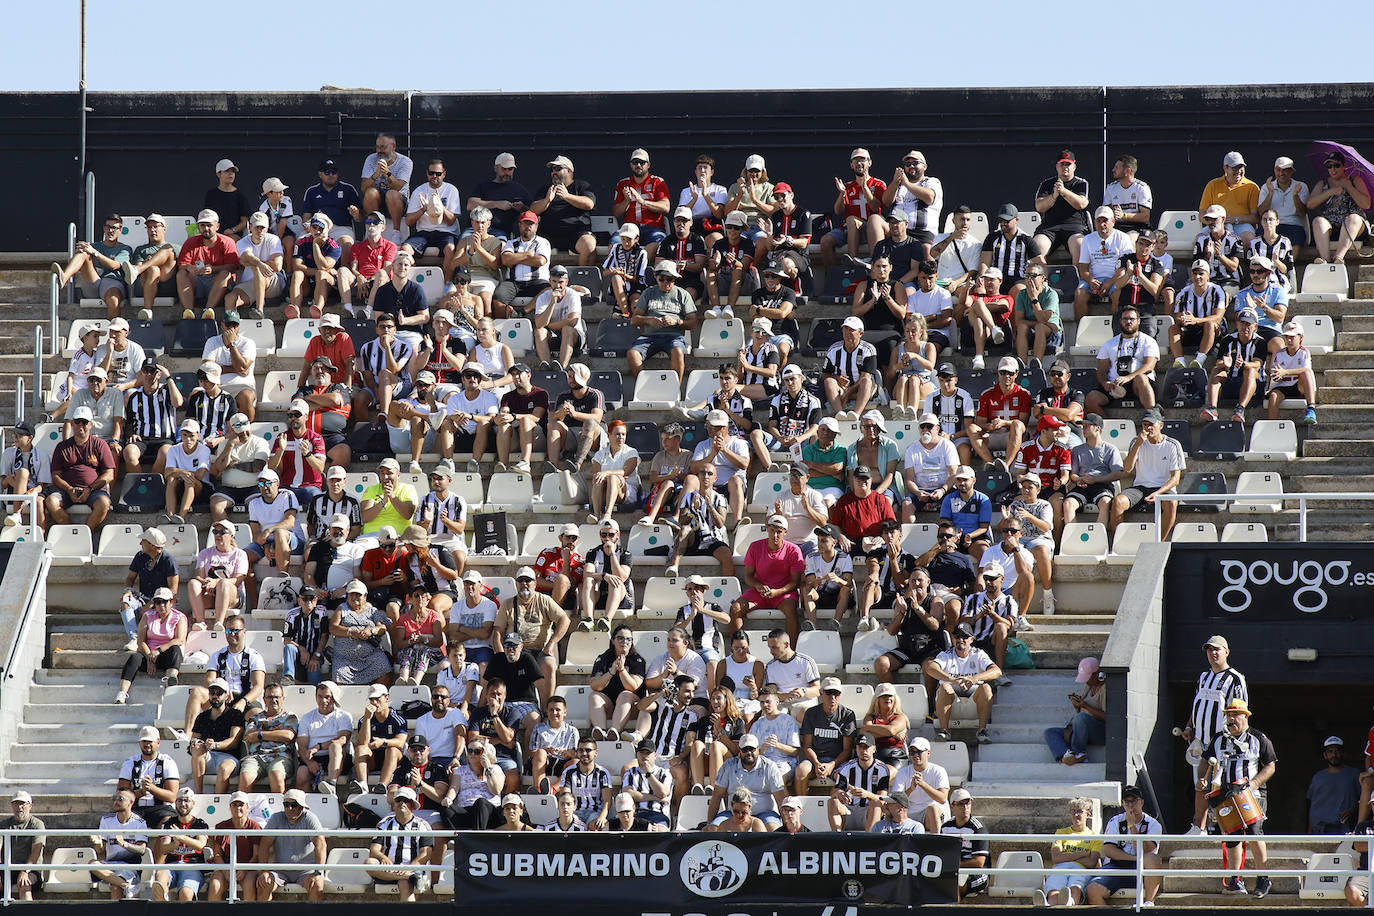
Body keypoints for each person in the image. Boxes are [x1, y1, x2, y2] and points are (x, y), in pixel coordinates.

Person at [1204, 698, 1276, 897]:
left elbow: (1270, 765)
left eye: (1235, 714)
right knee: (1232, 836)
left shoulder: (1258, 738)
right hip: (1225, 795)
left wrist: (1252, 785)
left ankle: (1263, 878)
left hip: (1250, 794)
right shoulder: (1218, 739)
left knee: (1254, 831)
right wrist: (1203, 780)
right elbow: (1206, 761)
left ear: (1246, 716)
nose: (1231, 718)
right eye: (1228, 714)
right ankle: (1235, 879)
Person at [1182, 634, 1249, 834]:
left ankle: (1226, 828)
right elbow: (1197, 705)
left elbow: (1240, 711)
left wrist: (1235, 739)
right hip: (1200, 742)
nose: (1213, 653)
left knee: (1221, 786)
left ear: (1226, 652)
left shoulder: (1235, 678)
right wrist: (1189, 727)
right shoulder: (1203, 677)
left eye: (1217, 649)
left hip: (1223, 743)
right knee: (1200, 784)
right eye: (1210, 650)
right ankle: (1198, 827)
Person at [495, 566, 572, 700]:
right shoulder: (507, 604)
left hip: (540, 651)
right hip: (516, 652)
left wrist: (551, 644)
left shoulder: (544, 600)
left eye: (528, 580)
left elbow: (565, 620)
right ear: (516, 583)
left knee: (549, 665)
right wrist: (501, 655)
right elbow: (497, 633)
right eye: (521, 580)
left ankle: (547, 708)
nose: (524, 583)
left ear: (535, 584)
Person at [1082, 784, 1165, 906]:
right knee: (1092, 890)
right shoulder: (1115, 821)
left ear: (1141, 802)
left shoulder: (1153, 825)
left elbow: (1143, 851)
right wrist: (1133, 858)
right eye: (1127, 802)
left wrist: (1132, 826)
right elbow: (1109, 850)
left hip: (1142, 867)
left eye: (1134, 801)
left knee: (1153, 859)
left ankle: (1148, 902)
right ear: (1123, 804)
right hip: (1117, 866)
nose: (1130, 805)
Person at [1110, 408, 1185, 540]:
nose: (1147, 428)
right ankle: (1118, 542)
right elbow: (1127, 469)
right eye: (1145, 425)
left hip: (1163, 488)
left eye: (1151, 424)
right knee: (1118, 501)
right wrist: (1138, 445)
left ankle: (1158, 543)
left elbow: (1175, 479)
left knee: (1172, 503)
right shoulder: (1136, 442)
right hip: (1140, 487)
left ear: (1160, 425)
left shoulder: (1173, 445)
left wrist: (1158, 494)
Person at [730, 515, 806, 645]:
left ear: (785, 532)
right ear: (767, 529)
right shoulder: (755, 546)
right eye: (772, 530)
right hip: (759, 592)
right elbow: (748, 576)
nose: (775, 535)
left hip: (783, 593)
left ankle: (791, 651)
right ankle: (737, 648)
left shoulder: (794, 550)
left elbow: (795, 582)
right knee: (735, 609)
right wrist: (758, 586)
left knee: (791, 610)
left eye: (779, 532)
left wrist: (777, 592)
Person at [45, 404, 116, 531]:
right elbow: (55, 475)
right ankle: (71, 532)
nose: (81, 425)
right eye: (78, 422)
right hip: (67, 491)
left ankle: (85, 533)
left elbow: (109, 474)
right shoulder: (62, 446)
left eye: (85, 422)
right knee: (51, 501)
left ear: (91, 424)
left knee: (104, 503)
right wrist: (69, 489)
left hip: (94, 491)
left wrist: (89, 489)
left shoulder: (100, 444)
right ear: (72, 423)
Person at [924, 624, 1000, 743]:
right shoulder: (945, 655)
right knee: (944, 687)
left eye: (965, 636)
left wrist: (974, 678)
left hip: (973, 705)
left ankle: (982, 731)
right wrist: (952, 679)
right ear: (953, 639)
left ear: (971, 639)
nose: (960, 639)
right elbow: (930, 669)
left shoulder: (978, 654)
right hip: (950, 705)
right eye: (957, 636)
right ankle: (944, 731)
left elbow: (997, 671)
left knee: (986, 688)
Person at [51, 213, 133, 318]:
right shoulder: (93, 246)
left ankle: (110, 331)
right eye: (108, 227)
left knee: (114, 298)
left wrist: (95, 253)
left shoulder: (124, 249)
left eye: (114, 228)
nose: (110, 230)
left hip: (112, 282)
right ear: (104, 228)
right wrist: (81, 252)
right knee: (84, 252)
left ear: (120, 230)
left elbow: (114, 266)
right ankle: (64, 277)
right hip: (93, 282)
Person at [114, 588, 186, 704]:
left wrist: (159, 650)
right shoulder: (148, 616)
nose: (161, 605)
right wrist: (149, 657)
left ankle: (171, 680)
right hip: (149, 654)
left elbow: (179, 640)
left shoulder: (179, 617)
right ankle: (122, 692)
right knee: (134, 658)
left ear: (171, 602)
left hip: (166, 654)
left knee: (175, 649)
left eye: (164, 601)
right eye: (158, 602)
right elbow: (141, 641)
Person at [1084, 304, 1159, 416]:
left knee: (1141, 378)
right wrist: (1105, 383)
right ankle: (1106, 427)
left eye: (1132, 319)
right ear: (1120, 321)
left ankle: (1152, 418)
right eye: (1125, 319)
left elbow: (1150, 366)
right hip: (1115, 385)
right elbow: (1102, 370)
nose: (1128, 322)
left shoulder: (1148, 341)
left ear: (1138, 321)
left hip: (1137, 384)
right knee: (1091, 398)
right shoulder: (1109, 343)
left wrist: (1129, 377)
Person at [255, 789, 326, 902]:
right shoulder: (276, 818)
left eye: (294, 805)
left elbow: (321, 845)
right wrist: (264, 871)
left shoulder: (310, 818)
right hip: (280, 870)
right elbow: (264, 845)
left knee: (317, 885)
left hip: (306, 870)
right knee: (263, 884)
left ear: (302, 806)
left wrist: (317, 872)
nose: (289, 808)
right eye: (286, 804)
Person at [821, 148, 886, 266]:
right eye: (855, 160)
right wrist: (842, 193)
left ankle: (852, 261)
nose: (859, 163)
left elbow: (876, 207)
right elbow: (838, 211)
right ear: (851, 165)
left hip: (871, 229)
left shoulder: (878, 184)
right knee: (825, 241)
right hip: (849, 230)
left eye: (862, 159)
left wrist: (865, 188)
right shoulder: (848, 186)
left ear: (869, 162)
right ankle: (833, 275)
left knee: (851, 220)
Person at [367, 789, 435, 901]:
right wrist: (383, 857)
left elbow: (426, 854)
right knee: (369, 863)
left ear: (413, 805)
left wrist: (409, 869)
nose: (402, 803)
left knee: (405, 883)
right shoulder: (384, 824)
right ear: (394, 804)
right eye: (398, 800)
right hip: (388, 870)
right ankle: (407, 877)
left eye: (406, 800)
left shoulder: (423, 825)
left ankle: (407, 877)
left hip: (412, 869)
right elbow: (374, 850)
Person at [707, 734, 787, 830]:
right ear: (740, 751)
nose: (749, 752)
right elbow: (716, 795)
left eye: (752, 749)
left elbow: (780, 799)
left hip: (765, 814)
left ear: (758, 749)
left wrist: (786, 826)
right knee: (713, 828)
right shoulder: (728, 766)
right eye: (745, 749)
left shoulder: (770, 767)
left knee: (773, 828)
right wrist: (709, 824)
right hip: (734, 813)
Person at [1033, 797, 1102, 907]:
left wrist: (1065, 856)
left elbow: (1091, 863)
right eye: (1073, 811)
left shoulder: (1095, 837)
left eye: (1079, 811)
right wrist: (1082, 854)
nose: (1075, 815)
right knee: (1055, 887)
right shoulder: (1061, 833)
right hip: (1061, 867)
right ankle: (1047, 905)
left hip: (1081, 869)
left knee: (1075, 886)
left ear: (1088, 815)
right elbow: (1056, 858)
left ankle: (1069, 903)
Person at [795, 677, 857, 795]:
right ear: (821, 693)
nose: (832, 697)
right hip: (815, 759)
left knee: (845, 775)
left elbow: (847, 749)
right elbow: (807, 746)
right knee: (801, 771)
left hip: (838, 761)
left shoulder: (847, 714)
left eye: (836, 693)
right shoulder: (811, 713)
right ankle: (801, 809)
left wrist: (832, 764)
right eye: (828, 692)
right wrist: (817, 763)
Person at [1062, 414, 1124, 531]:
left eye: (1087, 426)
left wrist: (1095, 479)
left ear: (1097, 428)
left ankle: (1098, 536)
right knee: (1068, 503)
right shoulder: (1077, 450)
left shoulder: (1110, 449)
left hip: (1103, 486)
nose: (1083, 429)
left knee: (1105, 502)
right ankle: (1072, 537)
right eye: (1083, 426)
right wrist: (1078, 479)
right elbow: (1073, 474)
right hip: (1082, 486)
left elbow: (1118, 473)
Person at [1204, 309, 1266, 424]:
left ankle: (1240, 409)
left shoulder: (1260, 342)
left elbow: (1258, 364)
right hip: (1231, 380)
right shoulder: (1228, 340)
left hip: (1253, 386)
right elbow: (1219, 362)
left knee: (1250, 371)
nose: (1245, 327)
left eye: (1248, 324)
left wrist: (1244, 364)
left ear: (1255, 326)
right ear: (1237, 324)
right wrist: (1226, 364)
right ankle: (1212, 408)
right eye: (1242, 323)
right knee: (1217, 370)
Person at [1310, 150, 1372, 263]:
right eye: (1329, 166)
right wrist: (1330, 192)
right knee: (1318, 221)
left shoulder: (1355, 180)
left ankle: (1339, 257)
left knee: (1353, 218)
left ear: (1344, 166)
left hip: (1353, 227)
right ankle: (1325, 259)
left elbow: (1366, 204)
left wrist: (1348, 187)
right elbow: (1310, 204)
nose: (1333, 169)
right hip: (1332, 225)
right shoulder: (1323, 183)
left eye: (1336, 165)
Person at [149, 787, 210, 902]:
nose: (183, 804)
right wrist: (175, 843)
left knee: (185, 894)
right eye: (180, 800)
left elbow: (200, 845)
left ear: (193, 804)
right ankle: (163, 903)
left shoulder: (200, 824)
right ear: (175, 803)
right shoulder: (168, 823)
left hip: (193, 866)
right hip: (171, 864)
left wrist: (182, 837)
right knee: (160, 879)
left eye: (186, 801)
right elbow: (164, 848)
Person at [1044, 656, 1106, 766]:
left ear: (1097, 674)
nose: (1085, 681)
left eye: (1087, 677)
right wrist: (1077, 706)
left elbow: (1108, 718)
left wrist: (1085, 706)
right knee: (1050, 732)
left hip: (1100, 732)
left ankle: (1079, 753)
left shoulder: (1105, 688)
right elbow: (1081, 716)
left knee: (1081, 718)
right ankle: (1067, 756)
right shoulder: (1088, 686)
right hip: (1080, 731)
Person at [329, 579, 393, 686]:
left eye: (358, 595)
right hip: (345, 658)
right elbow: (333, 628)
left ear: (365, 596)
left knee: (383, 667)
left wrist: (371, 630)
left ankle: (378, 699)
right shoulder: (341, 609)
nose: (354, 597)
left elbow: (382, 628)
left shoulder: (372, 611)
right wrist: (351, 632)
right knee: (339, 674)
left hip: (370, 656)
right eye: (351, 595)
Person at [89, 789, 150, 899]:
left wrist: (125, 845)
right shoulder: (106, 820)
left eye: (120, 799)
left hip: (131, 866)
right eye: (115, 799)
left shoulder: (139, 823)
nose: (116, 802)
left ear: (131, 802)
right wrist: (97, 843)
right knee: (92, 864)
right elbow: (100, 850)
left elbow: (142, 850)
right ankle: (128, 886)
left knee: (115, 886)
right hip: (111, 865)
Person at [188, 676, 245, 793]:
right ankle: (199, 794)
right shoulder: (202, 717)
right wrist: (195, 743)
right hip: (207, 756)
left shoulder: (235, 714)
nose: (215, 696)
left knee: (224, 768)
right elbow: (195, 739)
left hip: (229, 757)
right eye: (212, 692)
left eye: (219, 693)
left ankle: (216, 800)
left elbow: (234, 741)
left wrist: (216, 745)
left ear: (227, 696)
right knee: (197, 748)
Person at [295, 680, 353, 794]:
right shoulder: (307, 718)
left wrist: (319, 746)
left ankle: (331, 784)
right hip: (313, 758)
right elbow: (302, 746)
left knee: (335, 747)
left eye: (327, 697)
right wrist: (309, 762)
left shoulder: (344, 716)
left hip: (338, 757)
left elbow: (343, 739)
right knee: (302, 774)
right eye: (320, 697)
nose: (323, 701)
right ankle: (307, 806)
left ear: (334, 698)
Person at [546, 362, 605, 473]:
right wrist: (562, 413)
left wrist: (575, 414)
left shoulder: (595, 394)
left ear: (583, 377)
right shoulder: (563, 396)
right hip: (571, 434)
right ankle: (553, 466)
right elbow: (554, 417)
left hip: (593, 436)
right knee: (553, 424)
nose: (571, 380)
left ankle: (577, 464)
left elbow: (597, 418)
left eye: (574, 377)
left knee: (590, 422)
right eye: (569, 377)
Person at [1033, 149, 1091, 262]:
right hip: (1049, 226)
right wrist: (1054, 196)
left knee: (1080, 247)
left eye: (1068, 164)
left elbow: (1081, 204)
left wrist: (1063, 191)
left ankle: (1078, 279)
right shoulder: (1046, 184)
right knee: (1036, 249)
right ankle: (1041, 279)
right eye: (1062, 164)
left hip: (1074, 226)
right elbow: (1039, 206)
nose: (1065, 167)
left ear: (1074, 166)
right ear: (1057, 166)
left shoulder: (1081, 183)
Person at [238, 685, 297, 793]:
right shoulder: (255, 718)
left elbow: (288, 736)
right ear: (264, 699)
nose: (273, 700)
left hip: (280, 756)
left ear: (283, 699)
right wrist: (276, 734)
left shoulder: (289, 717)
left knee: (276, 775)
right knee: (245, 776)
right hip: (256, 757)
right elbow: (250, 737)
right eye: (269, 697)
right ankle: (245, 808)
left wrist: (260, 735)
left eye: (277, 697)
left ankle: (280, 808)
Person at [551, 736, 613, 828]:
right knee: (570, 825)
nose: (584, 753)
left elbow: (607, 800)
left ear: (596, 753)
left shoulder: (603, 773)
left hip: (595, 813)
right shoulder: (569, 772)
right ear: (577, 752)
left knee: (601, 825)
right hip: (574, 812)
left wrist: (602, 817)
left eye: (588, 750)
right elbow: (565, 797)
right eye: (581, 750)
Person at [1199, 151, 1260, 243]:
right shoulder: (1212, 185)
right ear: (1225, 168)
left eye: (1241, 167)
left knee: (1249, 239)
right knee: (1199, 238)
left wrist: (1235, 219)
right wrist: (1215, 222)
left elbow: (1256, 217)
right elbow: (1201, 215)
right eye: (1235, 168)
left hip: (1242, 225)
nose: (1239, 171)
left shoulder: (1252, 187)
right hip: (1215, 224)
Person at [801, 525, 855, 631]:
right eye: (819, 540)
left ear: (834, 543)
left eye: (824, 541)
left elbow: (848, 584)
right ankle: (813, 625)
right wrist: (816, 582)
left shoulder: (844, 557)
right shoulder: (811, 557)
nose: (819, 544)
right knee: (807, 589)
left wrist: (838, 580)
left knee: (846, 590)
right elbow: (810, 582)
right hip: (819, 595)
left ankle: (835, 624)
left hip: (837, 595)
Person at [1266, 320, 1319, 426]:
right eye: (1286, 337)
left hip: (1299, 386)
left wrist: (1285, 372)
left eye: (1292, 337)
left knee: (1306, 373)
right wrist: (1275, 375)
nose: (1289, 340)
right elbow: (1275, 372)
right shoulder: (1280, 354)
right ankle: (1271, 427)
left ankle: (1311, 408)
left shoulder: (1304, 352)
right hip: (1284, 385)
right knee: (1273, 396)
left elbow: (1305, 370)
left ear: (1301, 337)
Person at [941, 788, 990, 900]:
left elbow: (979, 862)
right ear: (952, 806)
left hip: (978, 874)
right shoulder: (945, 828)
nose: (965, 807)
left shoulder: (978, 828)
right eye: (960, 804)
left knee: (954, 886)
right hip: (953, 870)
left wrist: (952, 865)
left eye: (968, 802)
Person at [1308, 736, 1360, 834]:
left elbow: (1365, 801)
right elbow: (1311, 806)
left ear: (1342, 753)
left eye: (1337, 751)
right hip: (1320, 830)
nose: (1334, 755)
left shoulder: (1354, 774)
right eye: (1330, 752)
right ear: (1325, 755)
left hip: (1346, 830)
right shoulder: (1317, 777)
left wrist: (1351, 810)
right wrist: (1309, 833)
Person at [621, 738, 676, 830]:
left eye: (648, 753)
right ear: (636, 755)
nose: (644, 756)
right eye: (642, 752)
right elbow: (628, 794)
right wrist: (654, 797)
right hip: (635, 814)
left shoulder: (664, 773)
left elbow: (662, 793)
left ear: (655, 755)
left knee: (659, 830)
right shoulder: (631, 772)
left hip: (657, 814)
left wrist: (648, 774)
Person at [1257, 155, 1310, 248]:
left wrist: (1295, 196)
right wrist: (1271, 193)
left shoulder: (1301, 186)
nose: (1281, 173)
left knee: (1296, 237)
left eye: (1284, 170)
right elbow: (1261, 212)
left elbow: (1302, 213)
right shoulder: (1266, 187)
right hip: (1271, 224)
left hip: (1293, 224)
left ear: (1291, 171)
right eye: (1278, 170)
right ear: (1274, 170)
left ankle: (1289, 263)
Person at [3, 791, 45, 901]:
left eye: (23, 804)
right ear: (12, 806)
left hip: (31, 870)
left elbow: (36, 850)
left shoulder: (37, 824)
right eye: (16, 803)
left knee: (24, 885)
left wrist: (25, 871)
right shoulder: (4, 825)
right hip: (7, 868)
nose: (19, 807)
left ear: (30, 806)